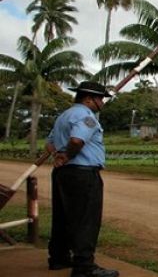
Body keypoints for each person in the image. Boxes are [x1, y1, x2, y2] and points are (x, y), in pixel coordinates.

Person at [45, 81, 119, 277]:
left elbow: (50, 143)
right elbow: (77, 140)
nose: (102, 103)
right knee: (86, 219)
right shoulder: (86, 116)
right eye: (100, 99)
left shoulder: (64, 115)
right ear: (89, 99)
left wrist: (59, 157)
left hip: (63, 173)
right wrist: (68, 155)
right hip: (83, 173)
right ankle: (84, 266)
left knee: (62, 216)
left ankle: (59, 258)